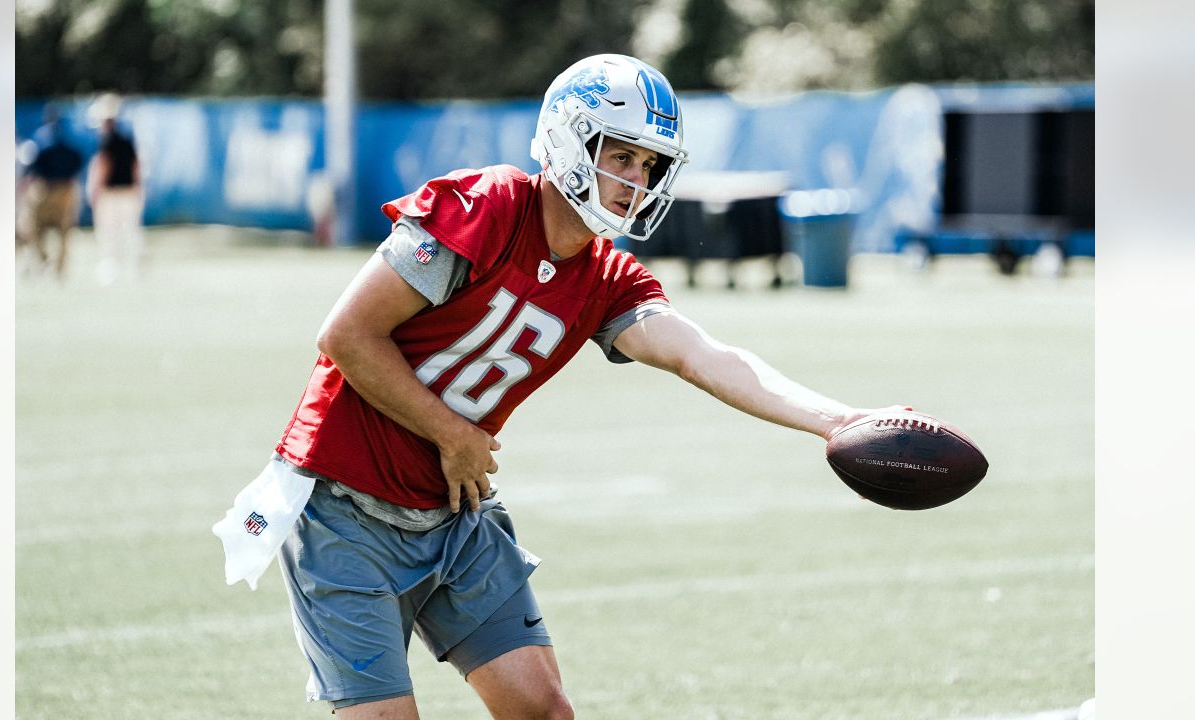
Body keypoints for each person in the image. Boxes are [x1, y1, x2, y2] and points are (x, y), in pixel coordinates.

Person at [266, 54, 903, 718]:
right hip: (343, 510)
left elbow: (706, 357)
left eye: (649, 166)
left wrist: (840, 420)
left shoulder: (606, 277)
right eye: (622, 157)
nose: (635, 182)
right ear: (572, 138)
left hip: (451, 512)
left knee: (544, 711)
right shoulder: (487, 206)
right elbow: (346, 336)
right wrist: (451, 433)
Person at [16, 105, 85, 278]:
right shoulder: (68, 137)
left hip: (44, 189)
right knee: (64, 232)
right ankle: (60, 267)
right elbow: (78, 161)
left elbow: (31, 166)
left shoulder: (40, 137)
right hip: (66, 190)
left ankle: (44, 261)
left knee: (36, 229)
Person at [86, 93, 144, 285]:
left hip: (110, 194)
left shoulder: (107, 141)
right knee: (130, 232)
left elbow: (104, 166)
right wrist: (138, 188)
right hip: (129, 192)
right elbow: (137, 166)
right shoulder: (128, 139)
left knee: (108, 234)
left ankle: (111, 271)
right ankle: (133, 269)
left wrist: (95, 189)